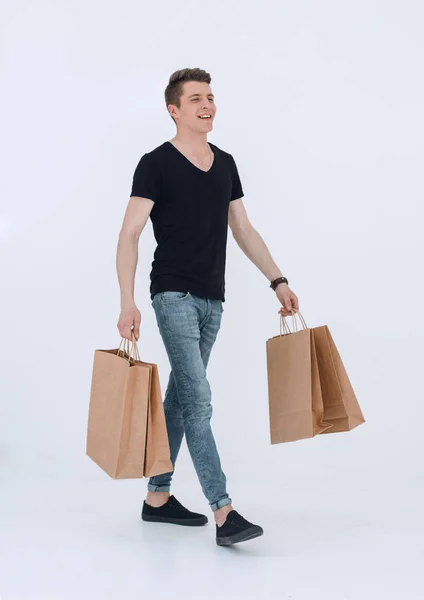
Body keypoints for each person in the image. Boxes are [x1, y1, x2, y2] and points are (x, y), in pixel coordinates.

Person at [116, 68, 299, 546]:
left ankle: (157, 498)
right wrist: (127, 302)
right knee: (199, 402)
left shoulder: (226, 163)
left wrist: (278, 281)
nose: (208, 104)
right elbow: (130, 234)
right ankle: (224, 511)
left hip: (212, 299)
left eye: (211, 97)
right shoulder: (155, 163)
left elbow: (243, 229)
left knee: (179, 400)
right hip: (171, 294)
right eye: (196, 98)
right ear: (173, 110)